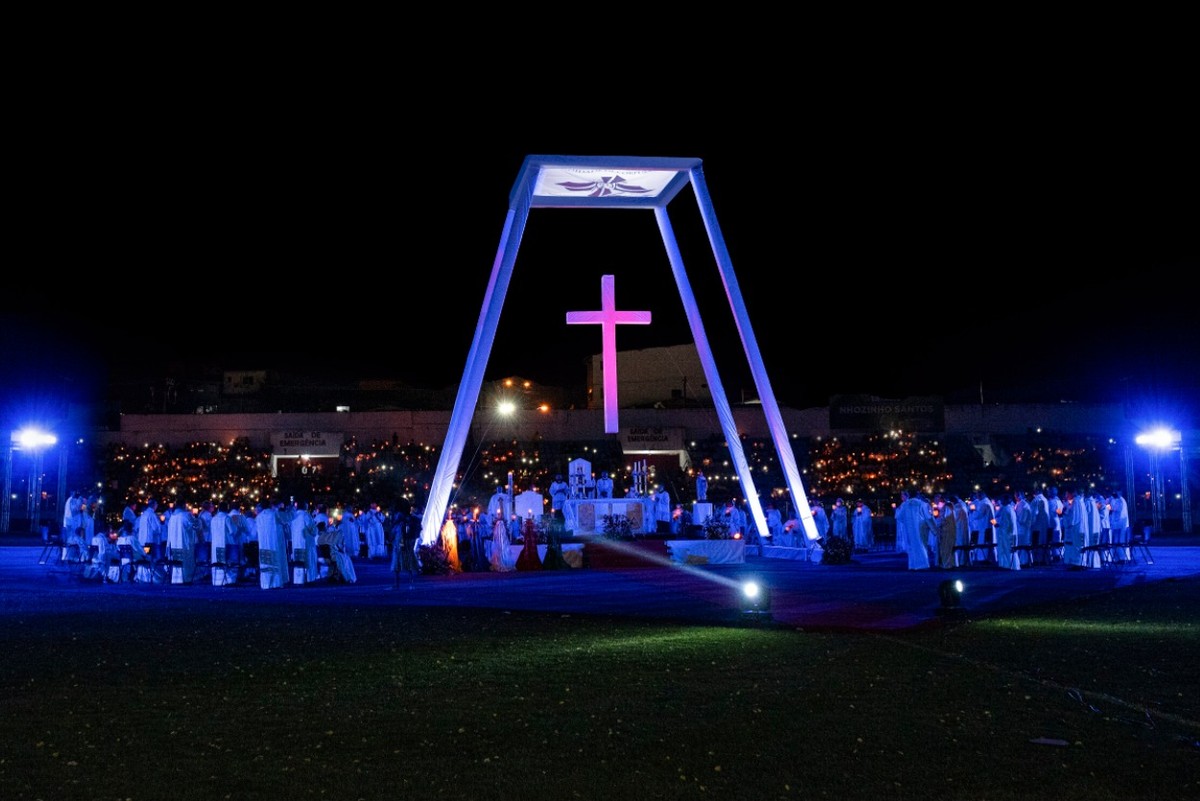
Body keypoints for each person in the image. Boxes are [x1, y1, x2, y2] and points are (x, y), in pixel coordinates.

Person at [255, 498, 288, 589]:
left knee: (265, 562)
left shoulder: (259, 517)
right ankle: (276, 583)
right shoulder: (274, 514)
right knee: (275, 560)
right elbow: (284, 522)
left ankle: (266, 583)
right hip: (274, 541)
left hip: (263, 543)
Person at [389, 500, 421, 587]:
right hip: (403, 543)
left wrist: (400, 543)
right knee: (406, 563)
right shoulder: (407, 519)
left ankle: (399, 583)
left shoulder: (402, 521)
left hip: (401, 543)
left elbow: (400, 533)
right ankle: (409, 582)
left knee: (399, 563)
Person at [166, 503, 197, 583]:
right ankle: (186, 579)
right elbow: (195, 525)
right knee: (186, 562)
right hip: (184, 543)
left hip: (174, 544)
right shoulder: (186, 515)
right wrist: (196, 518)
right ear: (183, 506)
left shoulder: (172, 517)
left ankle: (176, 579)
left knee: (176, 562)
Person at [994, 494, 1021, 570]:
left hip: (1007, 534)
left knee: (1007, 550)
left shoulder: (1006, 510)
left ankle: (1008, 565)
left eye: (1002, 499)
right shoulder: (1010, 508)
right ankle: (1011, 565)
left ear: (1006, 500)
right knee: (1010, 551)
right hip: (1010, 533)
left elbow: (1006, 523)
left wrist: (997, 524)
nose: (1001, 501)